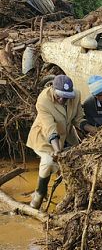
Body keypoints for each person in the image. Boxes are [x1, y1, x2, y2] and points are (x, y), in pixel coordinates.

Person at [26, 75, 96, 208]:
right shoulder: (43, 100)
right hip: (44, 137)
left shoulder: (76, 95)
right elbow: (50, 128)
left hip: (66, 136)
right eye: (59, 96)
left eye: (66, 97)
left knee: (78, 161)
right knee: (48, 162)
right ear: (53, 90)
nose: (62, 100)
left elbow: (78, 119)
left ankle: (73, 195)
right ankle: (39, 195)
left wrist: (93, 130)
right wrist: (58, 151)